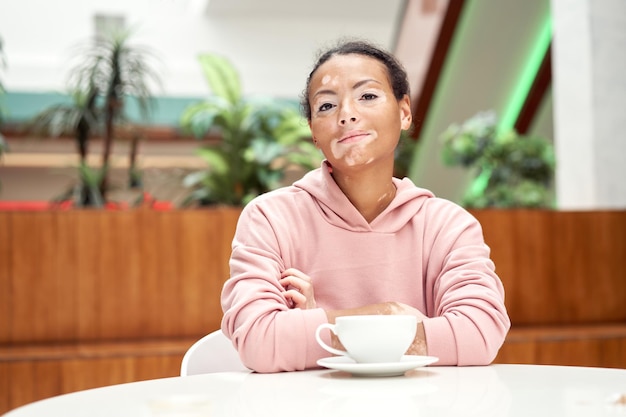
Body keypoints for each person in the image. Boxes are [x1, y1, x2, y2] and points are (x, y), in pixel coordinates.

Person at [220, 39, 510, 373]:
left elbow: (479, 332)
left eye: (367, 96)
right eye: (326, 106)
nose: (347, 115)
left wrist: (317, 327)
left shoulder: (447, 225)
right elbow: (260, 342)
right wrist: (390, 316)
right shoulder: (271, 218)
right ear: (314, 131)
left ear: (404, 113)